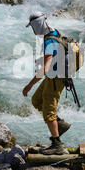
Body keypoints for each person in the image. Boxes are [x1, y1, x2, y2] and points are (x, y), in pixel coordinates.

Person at [22, 12, 71, 155]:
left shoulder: (49, 41)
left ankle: (57, 144)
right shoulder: (54, 31)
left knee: (49, 112)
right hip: (56, 75)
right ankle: (59, 124)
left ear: (36, 26)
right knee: (37, 100)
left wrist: (29, 85)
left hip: (57, 78)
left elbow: (45, 68)